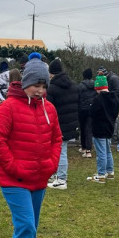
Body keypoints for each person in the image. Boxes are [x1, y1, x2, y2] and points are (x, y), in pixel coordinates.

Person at [0, 52, 62, 238]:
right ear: (25, 82)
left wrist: (51, 165)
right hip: (14, 181)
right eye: (36, 85)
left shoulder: (49, 109)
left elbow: (56, 138)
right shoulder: (9, 107)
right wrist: (14, 167)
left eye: (44, 86)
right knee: (27, 226)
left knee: (27, 229)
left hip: (39, 180)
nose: (41, 90)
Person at [46, 58, 79, 190]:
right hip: (70, 123)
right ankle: (57, 175)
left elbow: (48, 108)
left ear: (51, 73)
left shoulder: (52, 89)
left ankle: (61, 179)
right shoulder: (74, 86)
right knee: (59, 151)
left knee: (60, 152)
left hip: (58, 124)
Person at [87, 75, 119, 184]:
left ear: (98, 88)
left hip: (99, 128)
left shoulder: (98, 99)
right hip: (109, 127)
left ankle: (101, 175)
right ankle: (110, 172)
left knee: (101, 152)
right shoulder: (114, 98)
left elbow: (92, 112)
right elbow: (116, 113)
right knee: (108, 151)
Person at [97, 65, 119, 142]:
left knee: (114, 119)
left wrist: (108, 95)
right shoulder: (109, 79)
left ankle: (114, 136)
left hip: (115, 102)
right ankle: (113, 135)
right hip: (112, 101)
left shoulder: (113, 79)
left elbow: (118, 91)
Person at [77, 68, 96, 158]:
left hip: (82, 109)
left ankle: (84, 147)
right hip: (92, 108)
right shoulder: (95, 85)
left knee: (83, 128)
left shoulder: (80, 86)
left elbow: (77, 98)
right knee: (89, 128)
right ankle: (88, 149)